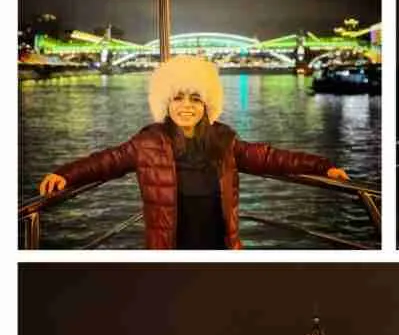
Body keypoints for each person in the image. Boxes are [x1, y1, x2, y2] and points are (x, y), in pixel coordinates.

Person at [38, 56, 349, 249]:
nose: (186, 106)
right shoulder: (148, 143)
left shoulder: (224, 140)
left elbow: (271, 157)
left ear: (206, 106)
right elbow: (106, 162)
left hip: (221, 248)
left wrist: (322, 166)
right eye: (178, 98)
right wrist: (65, 174)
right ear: (167, 104)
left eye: (195, 99)